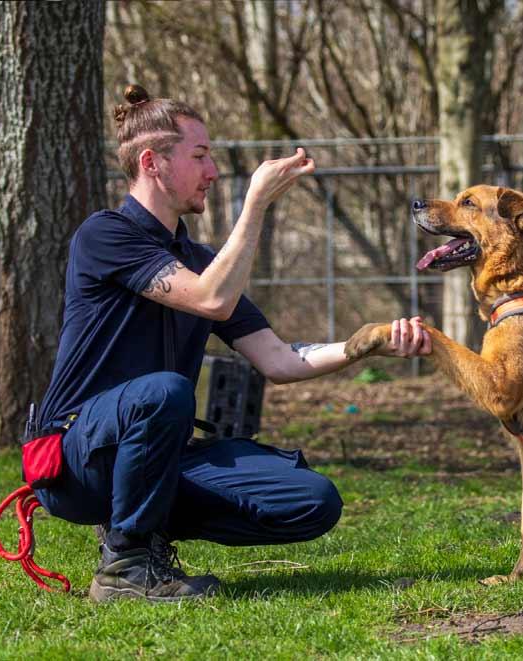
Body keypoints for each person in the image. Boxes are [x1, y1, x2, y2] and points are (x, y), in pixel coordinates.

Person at [33, 84, 431, 602]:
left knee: (313, 499)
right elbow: (211, 299)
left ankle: (140, 526)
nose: (212, 172)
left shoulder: (200, 259)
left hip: (155, 447)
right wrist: (256, 205)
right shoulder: (104, 235)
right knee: (165, 392)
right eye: (199, 156)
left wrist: (368, 343)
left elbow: (280, 360)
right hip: (76, 456)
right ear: (152, 162)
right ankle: (125, 568)